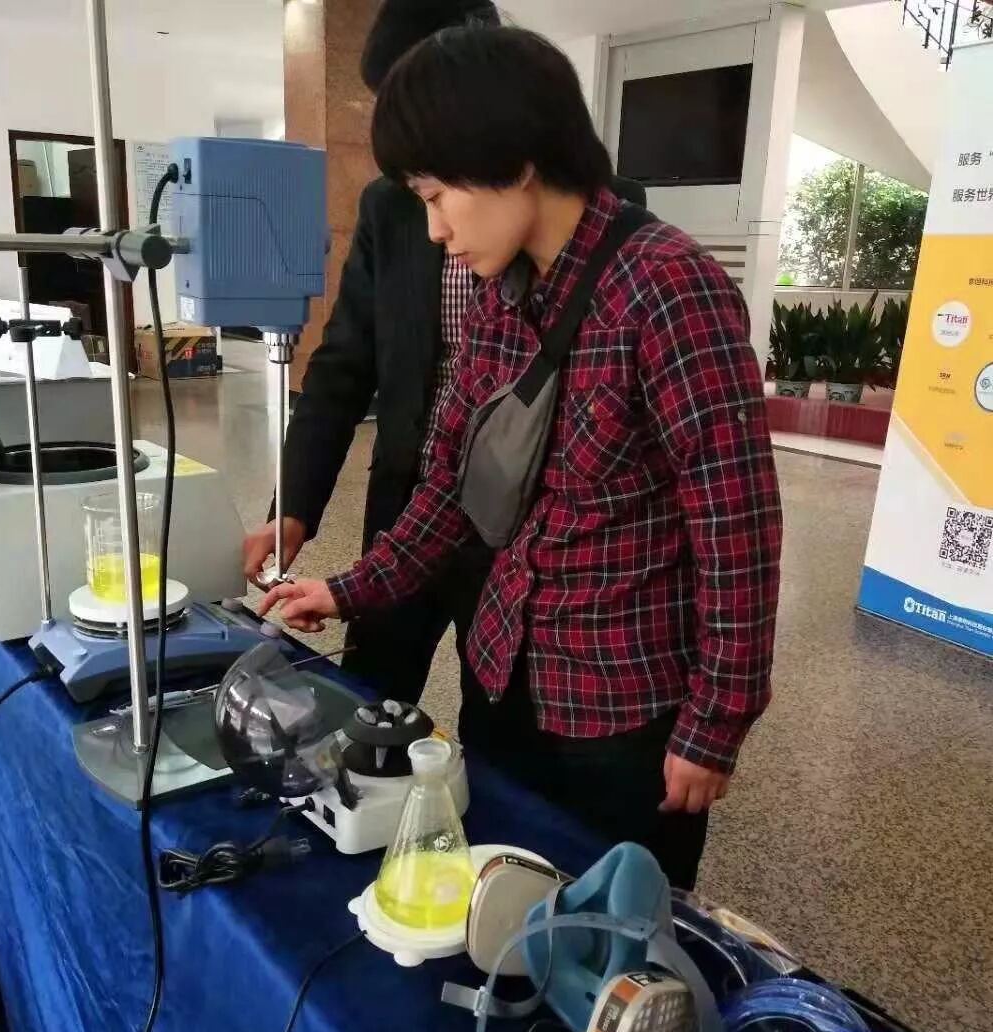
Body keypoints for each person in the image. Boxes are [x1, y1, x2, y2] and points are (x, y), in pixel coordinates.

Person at [259, 26, 783, 890]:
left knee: (612, 929)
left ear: (514, 160)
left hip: (622, 708)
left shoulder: (670, 288)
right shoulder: (501, 298)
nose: (435, 231)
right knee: (503, 905)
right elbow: (450, 486)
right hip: (504, 681)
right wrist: (348, 588)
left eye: (438, 197)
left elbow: (738, 529)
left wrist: (714, 726)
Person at [243, 0, 646, 724]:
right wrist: (295, 509)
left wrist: (712, 715)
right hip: (415, 502)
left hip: (526, 522)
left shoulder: (611, 238)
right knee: (370, 700)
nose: (436, 222)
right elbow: (342, 365)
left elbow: (725, 508)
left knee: (504, 715)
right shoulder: (392, 209)